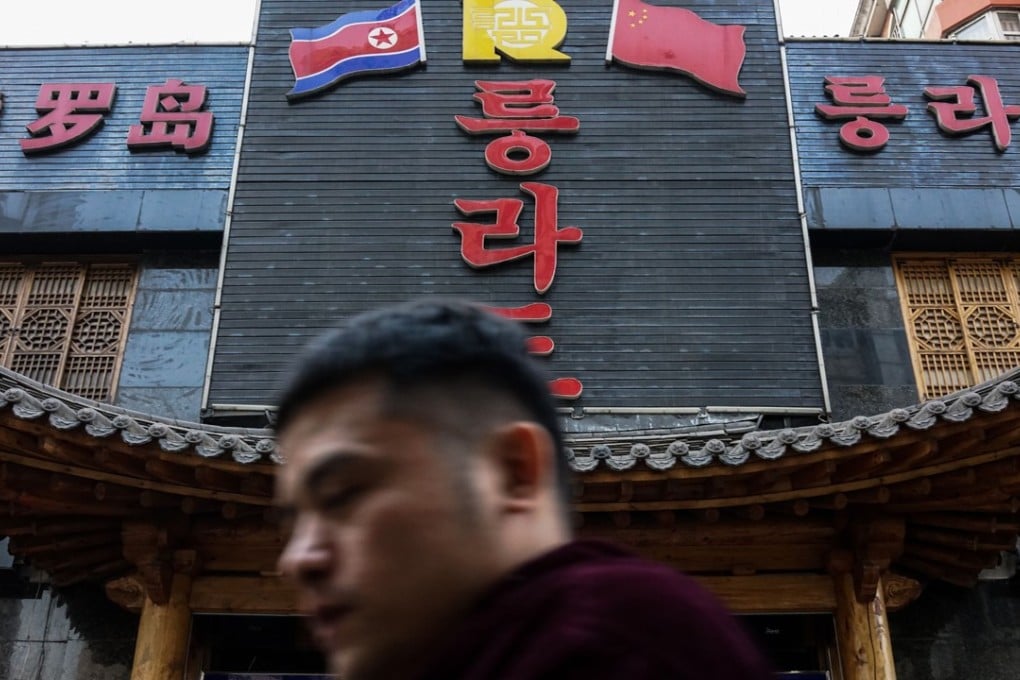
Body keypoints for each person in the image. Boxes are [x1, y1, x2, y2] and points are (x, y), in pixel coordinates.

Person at [273, 298, 772, 680]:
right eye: (292, 519)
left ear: (513, 470)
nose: (298, 559)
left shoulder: (617, 635)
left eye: (342, 494)